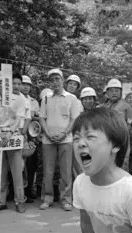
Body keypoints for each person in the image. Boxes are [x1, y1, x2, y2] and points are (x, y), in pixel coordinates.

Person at [39, 69, 81, 211]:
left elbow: (74, 118)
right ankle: (47, 198)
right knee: (48, 171)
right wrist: (48, 133)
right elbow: (42, 118)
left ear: (63, 80)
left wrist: (64, 133)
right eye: (52, 80)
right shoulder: (46, 98)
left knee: (65, 171)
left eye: (57, 79)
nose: (55, 82)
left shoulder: (72, 98)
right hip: (47, 139)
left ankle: (66, 199)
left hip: (66, 139)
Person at [0, 72, 30, 213]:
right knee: (0, 171)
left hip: (14, 136)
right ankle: (1, 201)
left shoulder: (19, 100)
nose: (1, 86)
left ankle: (20, 201)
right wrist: (0, 134)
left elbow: (19, 118)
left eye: (3, 82)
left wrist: (10, 133)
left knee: (17, 171)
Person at [102, 79, 132, 173]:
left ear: (120, 92)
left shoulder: (127, 106)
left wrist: (121, 138)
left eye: (117, 90)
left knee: (123, 163)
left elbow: (129, 124)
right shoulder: (104, 107)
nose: (114, 93)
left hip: (122, 139)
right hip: (108, 139)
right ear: (107, 92)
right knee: (108, 162)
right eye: (111, 90)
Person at [21, 75, 41, 201]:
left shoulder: (34, 102)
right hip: (18, 134)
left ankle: (28, 190)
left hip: (31, 136)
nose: (26, 87)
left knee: (31, 165)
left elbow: (37, 119)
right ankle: (17, 191)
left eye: (28, 85)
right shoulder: (14, 99)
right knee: (19, 165)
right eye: (24, 84)